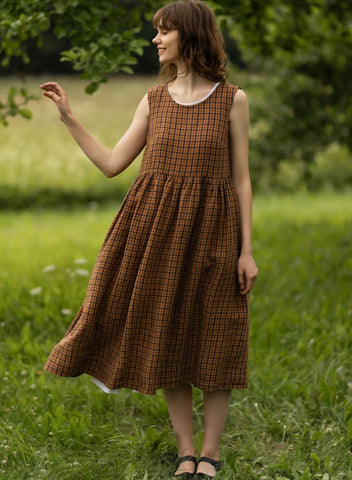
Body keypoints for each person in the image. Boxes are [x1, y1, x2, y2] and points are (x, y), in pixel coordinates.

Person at [40, 0, 258, 478]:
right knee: (171, 333)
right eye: (156, 32)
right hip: (154, 233)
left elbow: (241, 179)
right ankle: (185, 451)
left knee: (217, 334)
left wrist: (246, 250)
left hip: (215, 232)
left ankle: (211, 452)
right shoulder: (153, 100)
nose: (156, 40)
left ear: (191, 34)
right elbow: (113, 163)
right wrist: (69, 118)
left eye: (165, 31)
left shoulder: (232, 99)